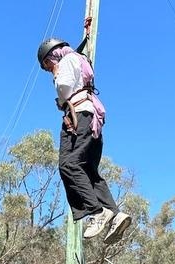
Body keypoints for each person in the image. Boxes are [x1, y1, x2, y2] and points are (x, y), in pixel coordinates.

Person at [37, 38, 131, 245]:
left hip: (78, 116)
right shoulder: (79, 59)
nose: (49, 69)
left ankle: (96, 212)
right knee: (88, 170)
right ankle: (115, 214)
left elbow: (63, 87)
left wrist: (57, 85)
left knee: (68, 164)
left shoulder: (67, 61)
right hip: (91, 118)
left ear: (52, 54)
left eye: (47, 65)